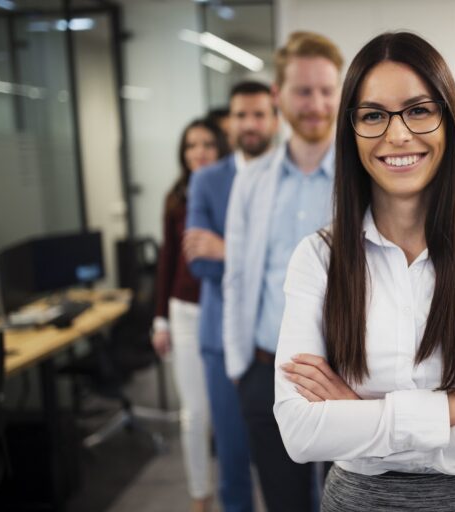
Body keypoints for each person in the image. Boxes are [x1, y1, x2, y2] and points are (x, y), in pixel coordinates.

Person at [273, 32, 455, 512]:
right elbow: (300, 434)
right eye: (373, 115)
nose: (397, 134)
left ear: (448, 121)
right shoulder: (317, 258)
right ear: (352, 131)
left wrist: (360, 416)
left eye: (419, 110)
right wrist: (447, 412)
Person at [222, 31, 342, 511]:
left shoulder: (364, 180)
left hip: (348, 376)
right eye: (303, 91)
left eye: (326, 90)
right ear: (278, 96)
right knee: (283, 502)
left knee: (346, 502)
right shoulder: (252, 181)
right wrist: (240, 366)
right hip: (267, 370)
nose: (315, 104)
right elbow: (236, 276)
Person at [185, 81, 278, 512]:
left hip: (279, 341)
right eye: (242, 115)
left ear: (274, 118)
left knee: (295, 461)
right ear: (230, 123)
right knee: (233, 459)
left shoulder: (290, 174)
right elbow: (199, 263)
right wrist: (258, 255)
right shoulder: (206, 181)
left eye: (260, 114)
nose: (251, 123)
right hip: (221, 340)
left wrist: (229, 249)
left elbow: (297, 256)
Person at [152, 118, 229, 512]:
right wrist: (160, 318)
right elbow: (167, 260)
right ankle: (200, 496)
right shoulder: (175, 198)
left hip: (226, 310)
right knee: (194, 413)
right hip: (184, 311)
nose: (198, 151)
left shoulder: (234, 188)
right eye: (190, 145)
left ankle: (237, 490)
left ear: (220, 148)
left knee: (231, 415)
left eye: (206, 144)